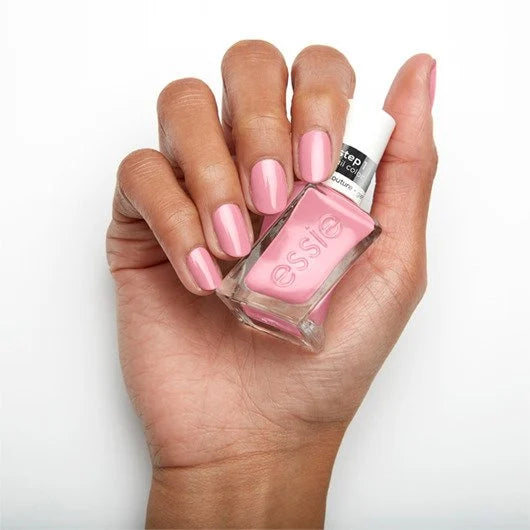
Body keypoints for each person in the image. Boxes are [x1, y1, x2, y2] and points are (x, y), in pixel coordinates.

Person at [106, 40, 437, 529]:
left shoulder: (354, 218)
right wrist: (221, 470)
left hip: (279, 329)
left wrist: (278, 453)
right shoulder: (307, 194)